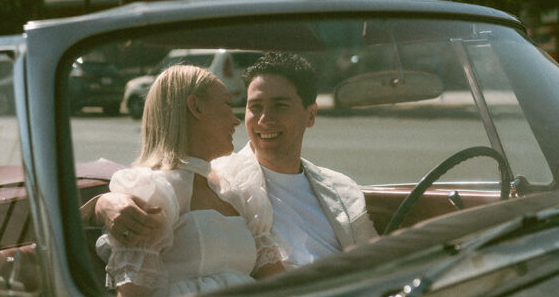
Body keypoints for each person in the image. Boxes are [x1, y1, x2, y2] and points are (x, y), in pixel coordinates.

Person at [91, 52, 377, 267]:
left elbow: (375, 261)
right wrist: (104, 203)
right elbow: (157, 184)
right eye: (255, 107)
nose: (264, 120)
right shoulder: (219, 180)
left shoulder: (342, 188)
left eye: (280, 105)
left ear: (311, 115)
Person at [96, 63, 284, 297]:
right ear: (195, 107)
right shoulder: (154, 192)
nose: (235, 120)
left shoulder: (235, 190)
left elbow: (279, 284)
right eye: (227, 104)